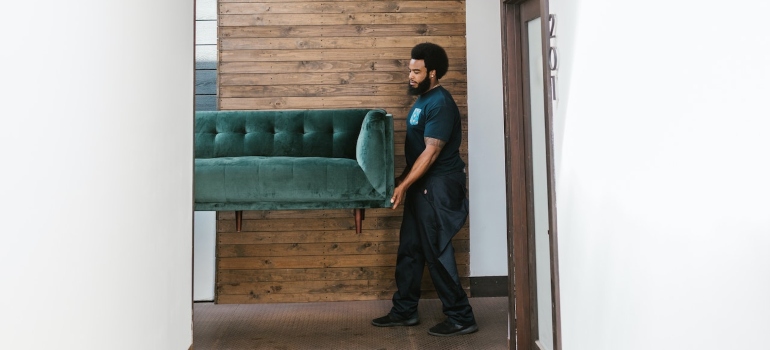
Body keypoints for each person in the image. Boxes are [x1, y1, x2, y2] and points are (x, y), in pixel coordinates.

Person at [371, 42, 477, 337]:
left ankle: (461, 317)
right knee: (410, 249)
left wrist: (404, 185)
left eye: (417, 71)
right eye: (410, 70)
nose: (411, 76)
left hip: (438, 187)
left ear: (432, 72)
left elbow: (430, 153)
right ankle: (404, 311)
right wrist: (403, 182)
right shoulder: (422, 101)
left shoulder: (440, 103)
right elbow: (416, 150)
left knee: (436, 252)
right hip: (421, 186)